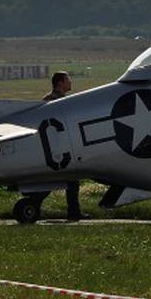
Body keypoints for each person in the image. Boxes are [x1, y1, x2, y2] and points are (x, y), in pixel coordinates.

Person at [39, 71, 87, 221]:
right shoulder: (54, 101)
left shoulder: (49, 99)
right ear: (60, 83)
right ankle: (73, 213)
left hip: (60, 150)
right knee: (62, 181)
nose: (70, 83)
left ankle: (74, 212)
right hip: (57, 150)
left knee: (69, 182)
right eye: (68, 80)